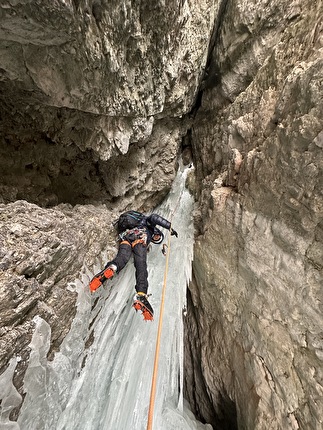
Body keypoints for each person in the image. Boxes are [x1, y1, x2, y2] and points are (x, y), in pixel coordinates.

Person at [89, 210, 178, 320]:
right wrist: (170, 227)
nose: (155, 239)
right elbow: (155, 217)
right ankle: (141, 295)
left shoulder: (139, 223)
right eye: (157, 237)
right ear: (157, 232)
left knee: (122, 258)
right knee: (141, 265)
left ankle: (111, 268)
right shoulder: (148, 225)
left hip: (126, 236)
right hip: (139, 236)